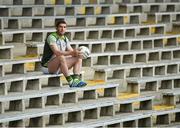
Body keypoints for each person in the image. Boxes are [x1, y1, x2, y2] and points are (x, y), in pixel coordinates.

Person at [41, 20, 87, 87]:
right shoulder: (51, 37)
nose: (63, 29)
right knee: (61, 57)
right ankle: (70, 82)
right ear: (56, 28)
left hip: (59, 65)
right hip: (47, 66)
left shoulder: (65, 38)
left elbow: (72, 52)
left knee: (78, 58)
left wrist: (79, 52)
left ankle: (76, 80)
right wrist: (72, 52)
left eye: (64, 27)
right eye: (60, 27)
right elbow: (57, 52)